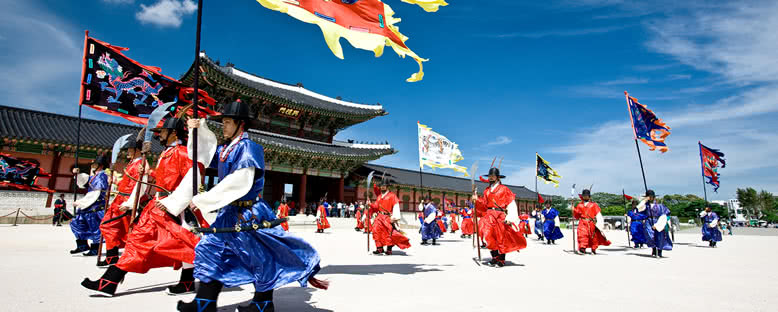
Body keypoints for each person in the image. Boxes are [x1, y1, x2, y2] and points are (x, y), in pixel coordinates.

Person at [178, 101, 327, 312]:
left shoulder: (249, 148)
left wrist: (204, 200)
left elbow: (239, 181)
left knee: (260, 258)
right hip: (229, 212)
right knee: (210, 250)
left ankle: (262, 303)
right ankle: (205, 302)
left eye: (228, 122)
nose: (224, 126)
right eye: (224, 122)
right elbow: (200, 156)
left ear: (241, 124)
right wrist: (196, 130)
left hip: (249, 213)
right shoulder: (225, 150)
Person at [81, 114, 202, 296]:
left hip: (170, 206)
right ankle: (109, 282)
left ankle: (109, 282)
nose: (159, 135)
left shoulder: (183, 153)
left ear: (174, 133)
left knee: (177, 243)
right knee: (140, 241)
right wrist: (149, 172)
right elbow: (164, 178)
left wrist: (173, 203)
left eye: (162, 131)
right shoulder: (166, 153)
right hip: (157, 205)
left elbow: (194, 176)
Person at [97, 133, 146, 266]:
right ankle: (112, 256)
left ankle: (117, 256)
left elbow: (140, 185)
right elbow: (126, 183)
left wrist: (130, 204)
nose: (128, 153)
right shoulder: (132, 164)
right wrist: (114, 182)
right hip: (119, 199)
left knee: (109, 225)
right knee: (111, 227)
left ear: (137, 151)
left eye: (130, 150)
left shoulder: (141, 164)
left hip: (126, 200)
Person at [471, 167, 527, 267]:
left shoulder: (504, 189)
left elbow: (511, 203)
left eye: (493, 176)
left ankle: (501, 259)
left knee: (501, 237)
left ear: (497, 177)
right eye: (489, 176)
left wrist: (510, 218)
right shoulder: (486, 190)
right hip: (489, 215)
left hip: (500, 215)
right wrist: (476, 200)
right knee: (487, 235)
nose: (491, 178)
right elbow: (484, 205)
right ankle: (494, 257)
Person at [69, 155, 109, 256]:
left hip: (95, 206)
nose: (93, 166)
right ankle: (82, 245)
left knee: (95, 228)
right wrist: (78, 174)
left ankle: (95, 248)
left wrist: (81, 202)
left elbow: (95, 193)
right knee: (77, 223)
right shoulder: (95, 175)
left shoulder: (102, 176)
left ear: (101, 165)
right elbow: (85, 182)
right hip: (88, 206)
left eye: (95, 164)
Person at [367, 177, 411, 255]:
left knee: (388, 233)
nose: (382, 187)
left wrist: (394, 218)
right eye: (381, 186)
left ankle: (389, 249)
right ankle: (379, 248)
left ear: (387, 186)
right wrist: (370, 204)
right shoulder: (379, 196)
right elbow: (376, 207)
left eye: (384, 185)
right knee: (376, 231)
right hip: (379, 217)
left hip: (388, 217)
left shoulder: (392, 196)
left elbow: (396, 206)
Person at [573, 189, 611, 254]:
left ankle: (593, 248)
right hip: (582, 222)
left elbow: (598, 215)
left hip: (591, 223)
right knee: (582, 235)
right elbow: (577, 216)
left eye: (587, 195)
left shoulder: (594, 205)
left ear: (589, 196)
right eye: (584, 195)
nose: (585, 197)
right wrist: (573, 210)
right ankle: (582, 248)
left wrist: (599, 224)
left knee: (593, 237)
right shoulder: (579, 205)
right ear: (582, 196)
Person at [637, 190, 672, 258]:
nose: (650, 198)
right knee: (650, 235)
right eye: (648, 197)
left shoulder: (660, 206)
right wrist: (644, 201)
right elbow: (638, 209)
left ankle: (659, 251)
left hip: (658, 221)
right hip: (648, 221)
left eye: (650, 196)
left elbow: (665, 214)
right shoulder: (645, 206)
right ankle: (653, 248)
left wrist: (658, 225)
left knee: (660, 236)